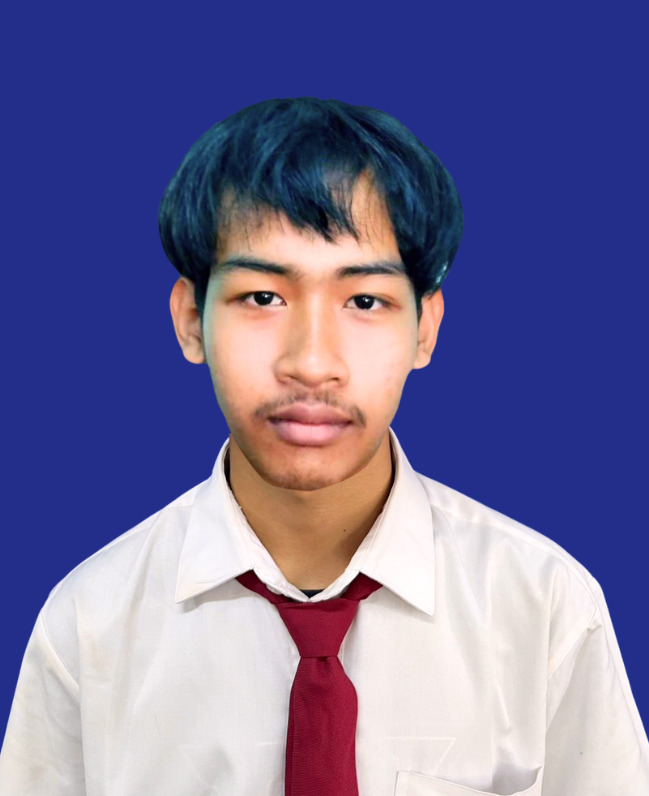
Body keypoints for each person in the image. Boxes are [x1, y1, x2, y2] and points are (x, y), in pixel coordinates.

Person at [0, 97, 647, 796]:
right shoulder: (89, 624)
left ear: (425, 329)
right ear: (190, 319)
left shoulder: (545, 608)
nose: (311, 363)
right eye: (262, 297)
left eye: (364, 301)